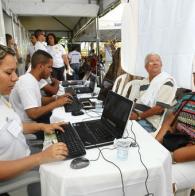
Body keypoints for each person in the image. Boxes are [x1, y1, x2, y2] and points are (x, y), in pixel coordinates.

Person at [0, 44, 68, 181]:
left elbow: (13, 126)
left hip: (27, 156)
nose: (15, 78)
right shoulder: (27, 82)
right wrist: (41, 157)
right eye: (8, 72)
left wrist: (43, 126)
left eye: (15, 72)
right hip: (18, 174)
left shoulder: (1, 99)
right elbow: (33, 114)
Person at [9, 50, 72, 125]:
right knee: (67, 125)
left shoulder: (32, 79)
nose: (51, 70)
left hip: (35, 121)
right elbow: (33, 114)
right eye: (49, 67)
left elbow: (38, 100)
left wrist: (56, 98)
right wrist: (57, 103)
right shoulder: (26, 82)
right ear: (40, 66)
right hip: (29, 126)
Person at [129, 53, 177, 132]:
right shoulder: (144, 81)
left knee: (126, 130)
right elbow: (136, 101)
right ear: (146, 67)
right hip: (136, 116)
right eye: (151, 61)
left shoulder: (167, 82)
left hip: (150, 122)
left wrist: (138, 116)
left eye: (157, 60)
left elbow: (159, 109)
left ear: (161, 65)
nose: (155, 63)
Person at [156, 89, 195, 163]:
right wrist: (157, 144)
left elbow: (178, 156)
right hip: (176, 143)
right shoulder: (187, 98)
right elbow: (169, 123)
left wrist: (176, 155)